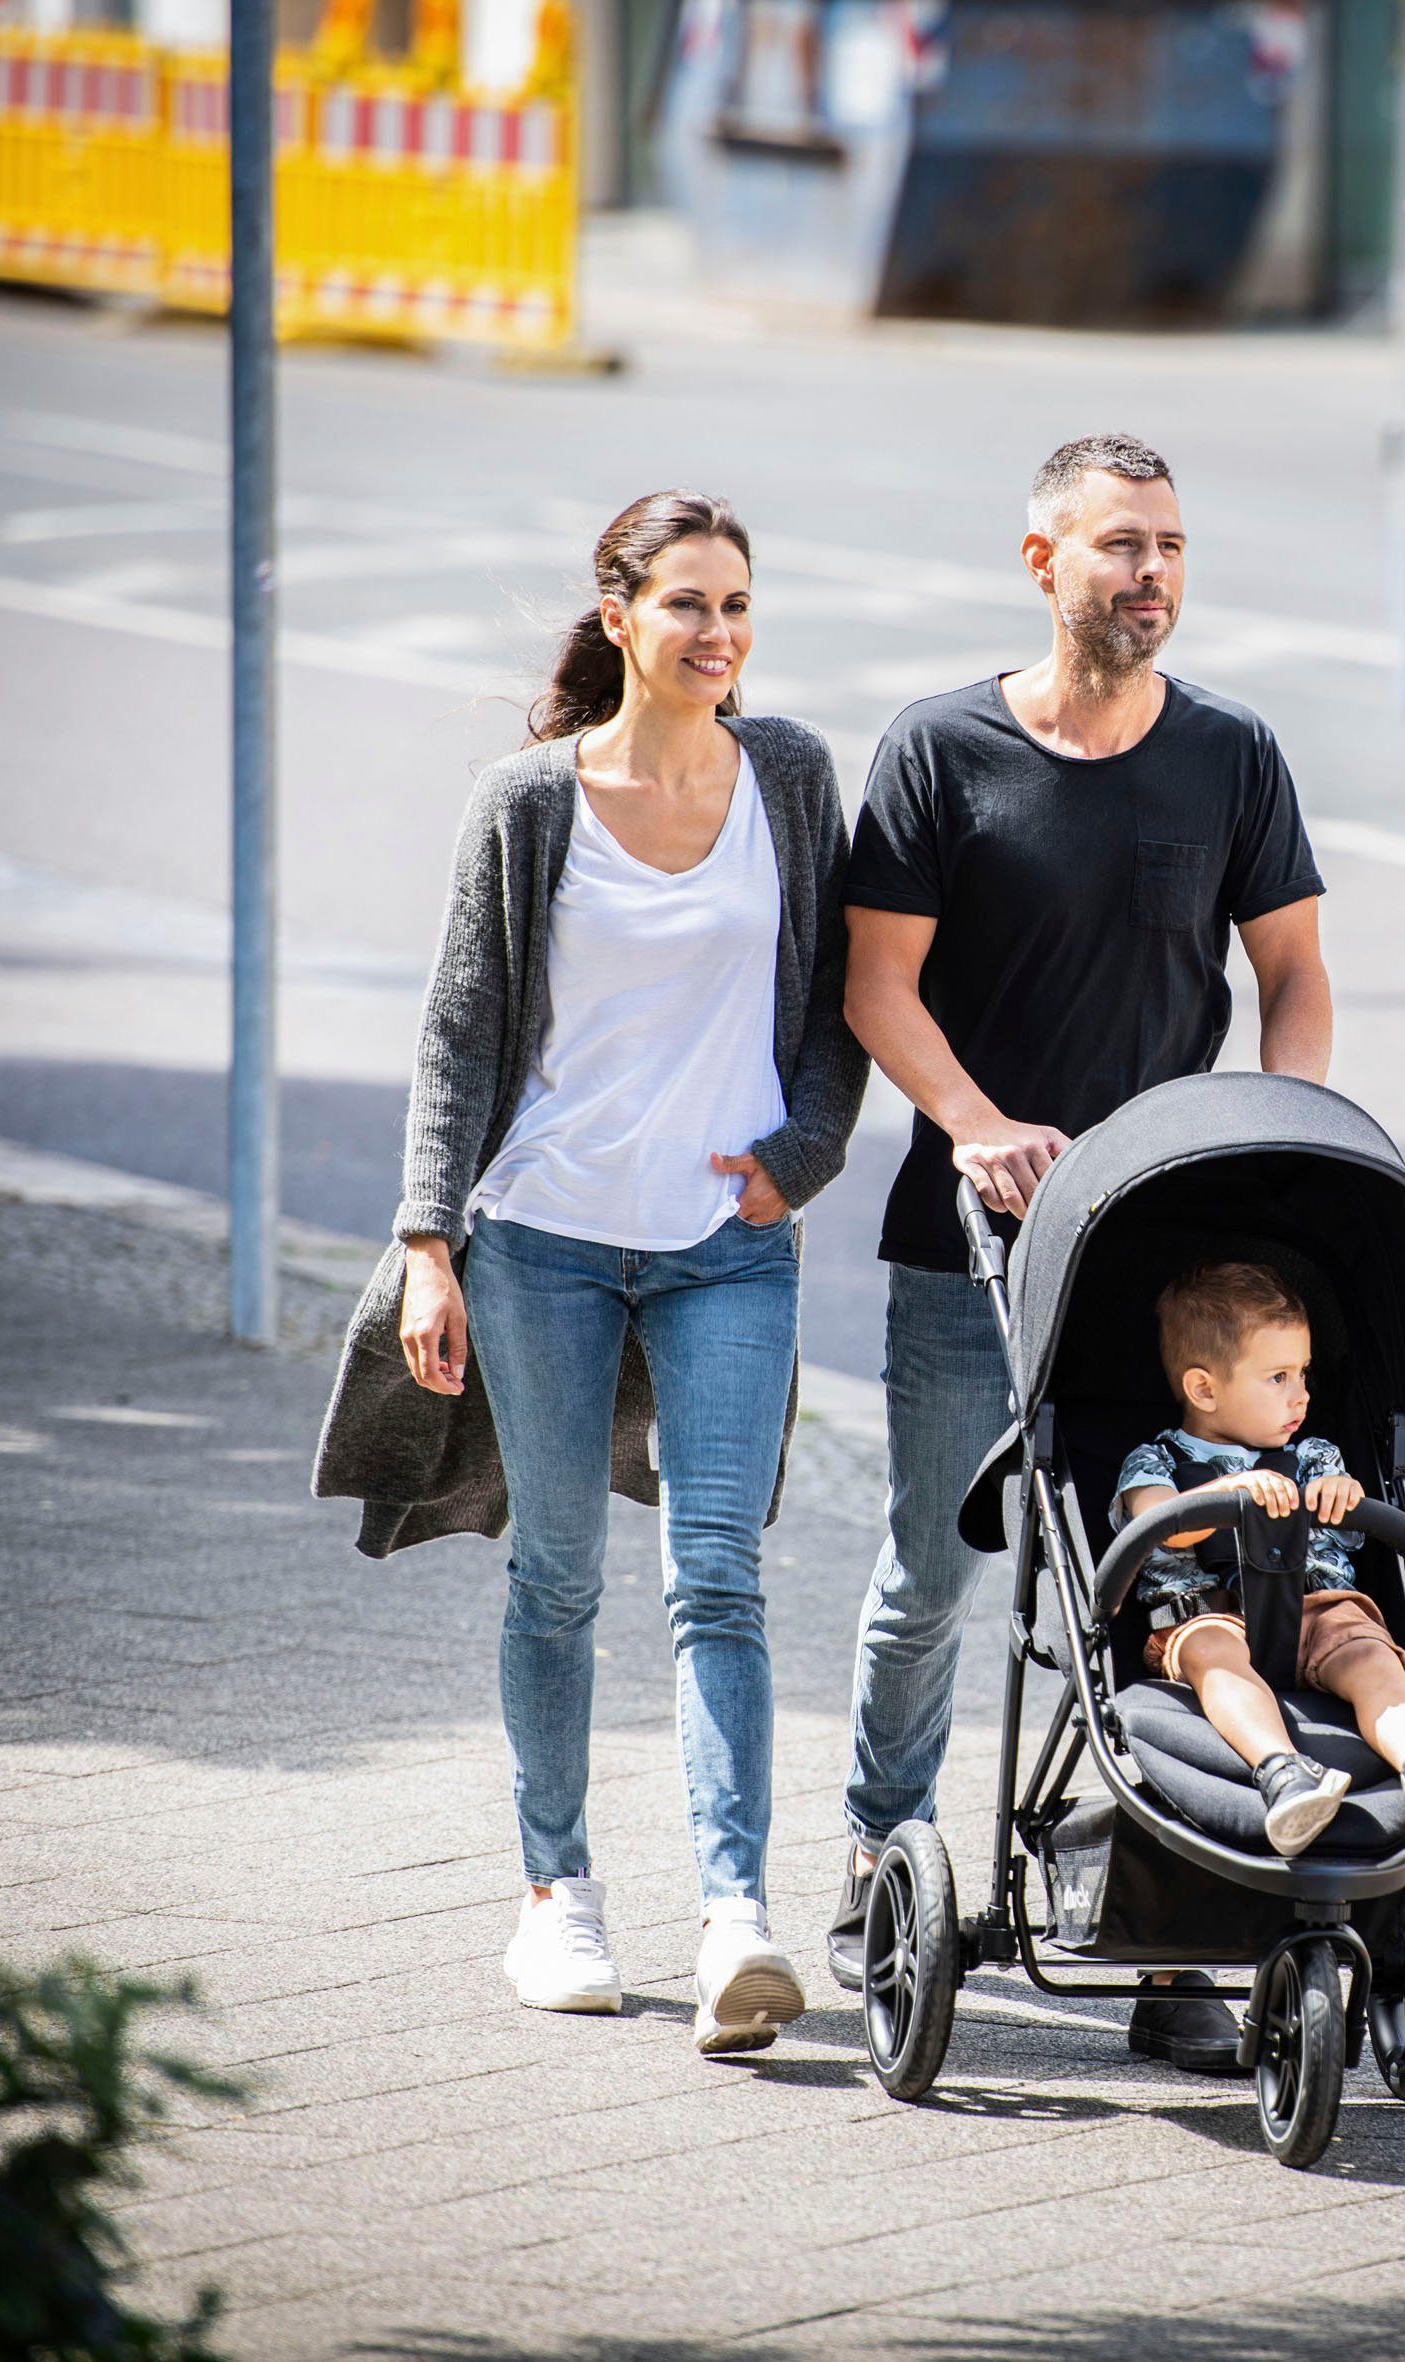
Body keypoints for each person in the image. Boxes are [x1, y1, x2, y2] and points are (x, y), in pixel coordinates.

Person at [312, 492, 869, 2057]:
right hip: (541, 1240)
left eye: (736, 604)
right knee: (555, 1575)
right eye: (686, 602)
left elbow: (839, 1001)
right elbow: (457, 1031)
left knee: (719, 1573)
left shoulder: (788, 776)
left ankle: (735, 1917)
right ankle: (556, 1895)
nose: (717, 632)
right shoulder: (526, 802)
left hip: (726, 1250)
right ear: (618, 616)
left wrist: (801, 1154)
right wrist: (430, 1244)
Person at [830, 431, 1337, 2075]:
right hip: (970, 1246)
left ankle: (1169, 1915)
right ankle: (875, 1856)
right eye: (1120, 544)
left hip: (1157, 1256)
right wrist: (972, 1122)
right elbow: (875, 984)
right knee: (932, 1571)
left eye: (1170, 545)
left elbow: (1292, 976)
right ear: (1042, 561)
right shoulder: (940, 749)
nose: (1151, 572)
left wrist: (1281, 1132)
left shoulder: (1231, 756)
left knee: (1151, 1575)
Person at [1112, 1262, 1405, 1856]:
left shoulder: (1314, 1456)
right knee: (1212, 1657)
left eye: (1304, 1373)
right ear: (1204, 1389)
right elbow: (1158, 1525)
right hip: (1207, 1615)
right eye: (1278, 1377)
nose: (1302, 1393)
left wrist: (1342, 1495)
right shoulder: (1155, 1460)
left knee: (1370, 1655)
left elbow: (1348, 1511)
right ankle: (1283, 1772)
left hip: (1317, 1606)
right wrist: (1228, 1494)